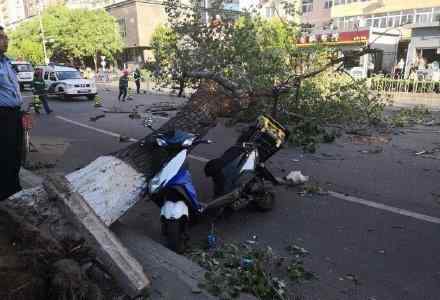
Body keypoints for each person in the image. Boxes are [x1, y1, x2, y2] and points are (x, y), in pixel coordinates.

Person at [0, 26, 24, 200]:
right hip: (2, 116)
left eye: (6, 37)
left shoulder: (6, 62)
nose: (6, 40)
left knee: (17, 153)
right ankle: (6, 194)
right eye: (1, 37)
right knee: (5, 155)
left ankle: (14, 189)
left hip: (14, 114)